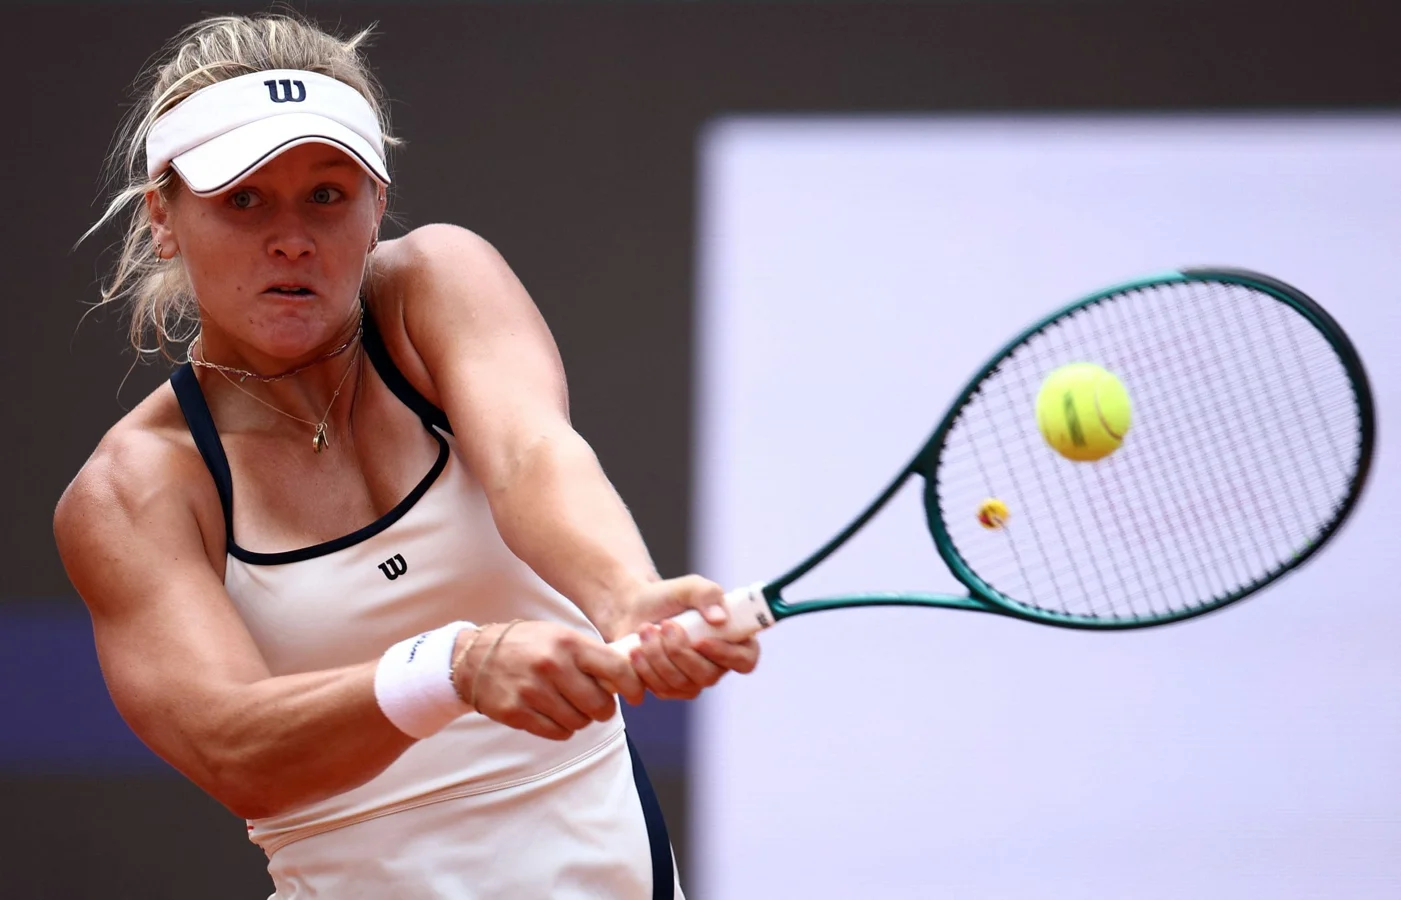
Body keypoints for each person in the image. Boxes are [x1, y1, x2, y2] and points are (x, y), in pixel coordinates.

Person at [54, 12, 758, 899]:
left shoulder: (438, 282)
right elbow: (236, 751)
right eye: (243, 199)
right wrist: (454, 668)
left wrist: (626, 595)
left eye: (327, 194)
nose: (291, 238)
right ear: (164, 217)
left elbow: (531, 455)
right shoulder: (131, 491)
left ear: (377, 204)